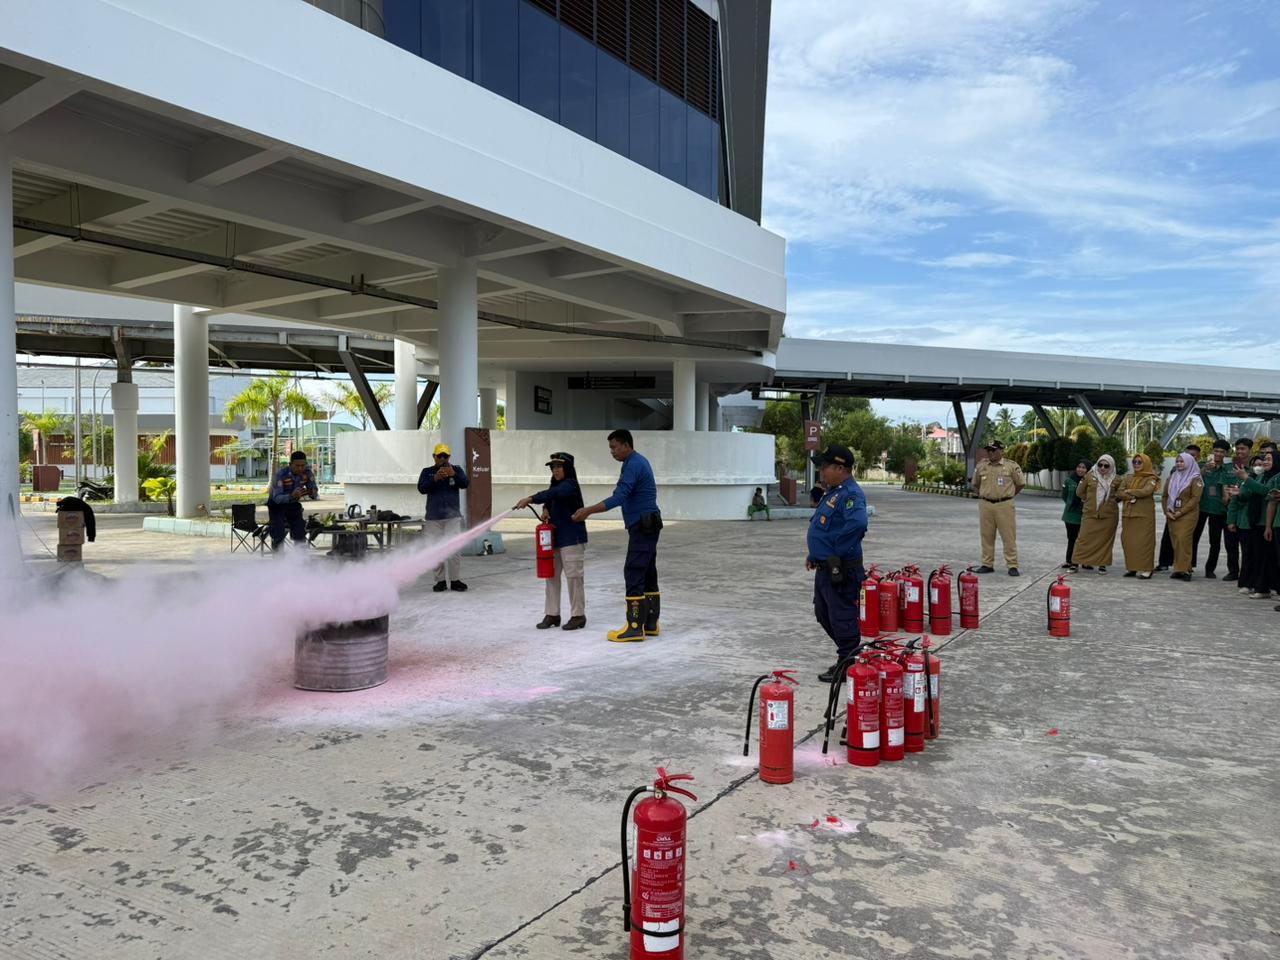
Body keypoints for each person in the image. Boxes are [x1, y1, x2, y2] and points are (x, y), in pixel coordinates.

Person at [572, 429, 661, 642]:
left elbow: (619, 496)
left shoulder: (634, 464)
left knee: (633, 570)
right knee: (647, 571)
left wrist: (588, 510)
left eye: (614, 447)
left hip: (643, 524)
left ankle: (634, 627)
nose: (612, 452)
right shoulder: (634, 462)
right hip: (647, 524)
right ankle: (650, 623)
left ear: (626, 445)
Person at [804, 445, 869, 683]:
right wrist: (816, 554)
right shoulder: (834, 492)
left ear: (840, 468)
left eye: (825, 466)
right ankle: (849, 654)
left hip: (841, 567)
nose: (821, 471)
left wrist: (833, 553)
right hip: (826, 567)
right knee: (824, 614)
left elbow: (858, 525)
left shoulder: (851, 494)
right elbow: (825, 527)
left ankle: (848, 661)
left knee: (841, 616)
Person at [515, 452, 588, 631]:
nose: (555, 470)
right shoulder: (555, 485)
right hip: (554, 538)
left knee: (574, 577)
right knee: (551, 576)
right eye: (553, 467)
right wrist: (546, 508)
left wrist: (531, 499)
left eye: (559, 466)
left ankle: (578, 615)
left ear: (568, 468)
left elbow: (555, 493)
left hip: (572, 538)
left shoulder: (570, 485)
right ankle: (552, 614)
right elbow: (551, 497)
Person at [417, 442, 469, 592]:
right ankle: (440, 581)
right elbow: (421, 488)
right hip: (434, 518)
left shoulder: (457, 470)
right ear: (434, 456)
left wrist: (454, 475)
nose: (442, 458)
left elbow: (465, 484)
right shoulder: (427, 472)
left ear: (449, 457)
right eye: (439, 455)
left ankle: (454, 580)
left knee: (453, 550)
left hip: (452, 518)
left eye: (445, 456)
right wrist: (435, 479)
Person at [970, 439, 1025, 576]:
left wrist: (1009, 495)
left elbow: (1020, 484)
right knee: (986, 536)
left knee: (1008, 536)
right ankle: (987, 564)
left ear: (1001, 451)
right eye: (988, 450)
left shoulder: (1011, 466)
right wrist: (984, 495)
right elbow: (975, 484)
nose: (990, 453)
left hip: (1004, 505)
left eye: (993, 450)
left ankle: (1012, 565)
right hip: (986, 505)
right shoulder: (982, 466)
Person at [1234, 448, 1278, 599]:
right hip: (1256, 521)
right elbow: (1249, 492)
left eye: (1269, 459)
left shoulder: (1276, 477)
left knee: (1266, 557)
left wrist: (1247, 478)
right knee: (1257, 556)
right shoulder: (1261, 476)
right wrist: (1241, 488)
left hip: (1268, 522)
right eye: (1264, 459)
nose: (1265, 462)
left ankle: (1265, 587)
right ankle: (1259, 585)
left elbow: (1266, 491)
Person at [1156, 442, 1202, 571]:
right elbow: (1165, 496)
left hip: (1187, 515)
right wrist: (1167, 512)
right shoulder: (1172, 477)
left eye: (1182, 462)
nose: (1179, 464)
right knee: (1176, 541)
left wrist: (1181, 512)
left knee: (1183, 540)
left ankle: (1184, 569)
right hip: (1172, 514)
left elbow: (1195, 499)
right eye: (1177, 461)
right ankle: (1180, 568)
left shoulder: (1195, 478)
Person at [1114, 453, 1159, 579]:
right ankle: (1132, 568)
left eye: (1140, 462)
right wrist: (1132, 495)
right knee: (1128, 542)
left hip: (1144, 516)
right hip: (1128, 515)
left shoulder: (1151, 478)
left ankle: (1147, 569)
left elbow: (1146, 491)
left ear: (1146, 463)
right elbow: (1119, 492)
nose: (1136, 464)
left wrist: (1129, 491)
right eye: (1135, 462)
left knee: (1144, 542)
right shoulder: (1128, 478)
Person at [1193, 439, 1234, 579]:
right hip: (1201, 507)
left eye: (1222, 452)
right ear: (1212, 451)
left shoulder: (1228, 469)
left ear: (1226, 454)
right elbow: (1192, 479)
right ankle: (1188, 566)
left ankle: (1210, 569)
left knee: (1215, 541)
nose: (1218, 454)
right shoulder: (1202, 466)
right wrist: (1204, 470)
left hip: (1218, 509)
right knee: (1193, 537)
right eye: (1216, 451)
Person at [1072, 454, 1119, 573]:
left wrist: (1109, 504)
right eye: (1100, 465)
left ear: (1111, 466)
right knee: (1083, 538)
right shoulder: (1090, 476)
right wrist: (1088, 500)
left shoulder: (1117, 479)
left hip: (1109, 516)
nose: (1102, 468)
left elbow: (1119, 495)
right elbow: (1079, 492)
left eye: (1106, 465)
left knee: (1105, 540)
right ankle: (1076, 562)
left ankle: (1102, 564)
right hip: (1090, 514)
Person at [268, 450, 318, 550]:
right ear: (290, 464)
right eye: (297, 465)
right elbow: (277, 498)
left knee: (300, 531)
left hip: (293, 505)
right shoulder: (281, 475)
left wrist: (313, 492)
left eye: (303, 465)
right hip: (277, 505)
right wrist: (291, 496)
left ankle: (300, 559)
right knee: (278, 532)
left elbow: (313, 489)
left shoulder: (307, 473)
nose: (300, 468)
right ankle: (278, 559)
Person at [1222, 437, 1254, 581]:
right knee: (1230, 544)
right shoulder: (1229, 467)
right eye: (1238, 448)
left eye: (1243, 449)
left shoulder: (1255, 468)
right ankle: (1233, 571)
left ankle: (1247, 573)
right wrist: (1226, 496)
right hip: (1230, 509)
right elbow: (1224, 485)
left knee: (1247, 547)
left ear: (1250, 450)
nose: (1240, 451)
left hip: (1247, 512)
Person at [1060, 460, 1088, 570]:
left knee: (1082, 539)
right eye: (1079, 466)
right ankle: (1070, 561)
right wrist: (1071, 504)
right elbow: (1064, 496)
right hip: (1070, 515)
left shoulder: (1089, 482)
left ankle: (1084, 561)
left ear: (1088, 470)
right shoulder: (1069, 481)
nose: (1080, 469)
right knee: (1072, 538)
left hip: (1084, 515)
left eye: (1084, 467)